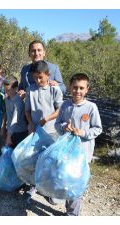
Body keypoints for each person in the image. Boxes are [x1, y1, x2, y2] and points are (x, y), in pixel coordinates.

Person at [54, 73, 102, 216]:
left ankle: (72, 215)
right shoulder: (65, 105)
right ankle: (65, 204)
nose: (78, 91)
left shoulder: (91, 107)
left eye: (81, 88)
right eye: (75, 87)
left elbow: (98, 128)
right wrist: (64, 127)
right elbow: (57, 124)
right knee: (66, 180)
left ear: (87, 89)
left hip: (83, 153)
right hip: (67, 152)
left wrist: (83, 132)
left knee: (77, 184)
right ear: (69, 88)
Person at [24, 60, 63, 203]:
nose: (38, 80)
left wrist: (46, 119)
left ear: (48, 75)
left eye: (40, 77)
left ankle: (49, 189)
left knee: (50, 161)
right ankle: (33, 186)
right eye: (35, 78)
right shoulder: (30, 90)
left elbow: (60, 110)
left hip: (52, 131)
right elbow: (27, 110)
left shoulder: (54, 89)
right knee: (35, 160)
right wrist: (30, 123)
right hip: (36, 132)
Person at [2, 76, 28, 149]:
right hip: (11, 131)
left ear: (15, 88)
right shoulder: (7, 99)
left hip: (20, 133)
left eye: (8, 90)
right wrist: (4, 128)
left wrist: (8, 136)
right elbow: (7, 115)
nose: (6, 92)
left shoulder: (18, 102)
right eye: (5, 90)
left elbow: (15, 120)